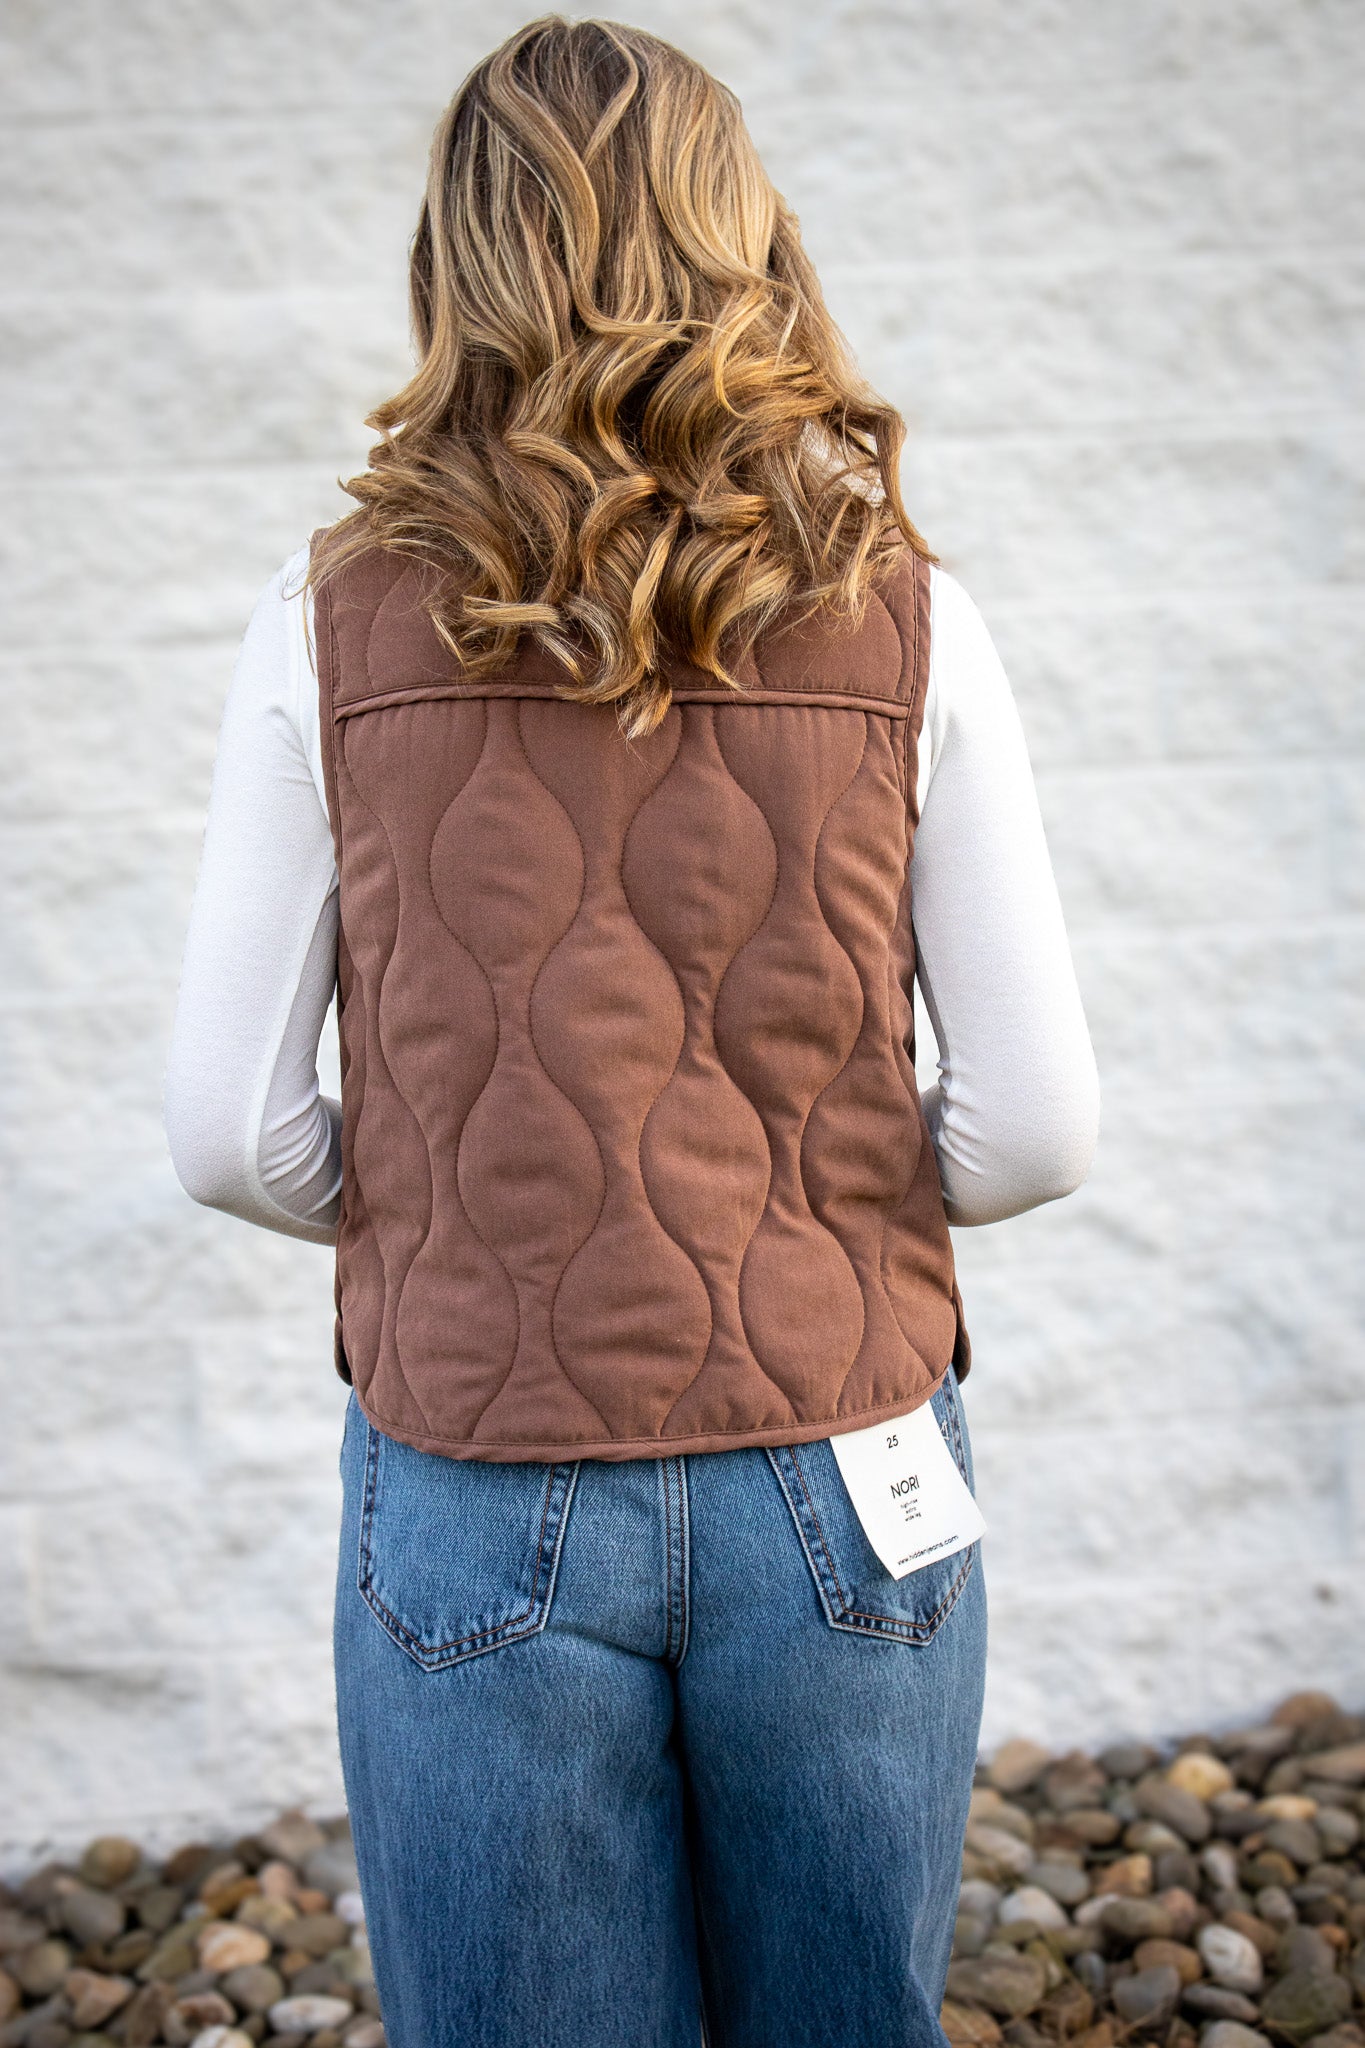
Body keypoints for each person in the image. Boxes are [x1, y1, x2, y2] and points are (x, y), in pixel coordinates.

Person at [164, 16, 1101, 2046]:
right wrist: (809, 1202)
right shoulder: (905, 609)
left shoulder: (324, 617)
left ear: (458, 264)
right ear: (738, 242)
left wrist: (442, 1218)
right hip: (843, 1461)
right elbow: (1033, 1126)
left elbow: (231, 1132)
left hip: (482, 1467)